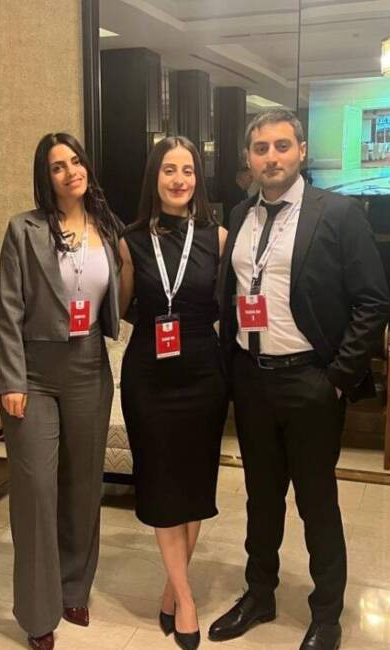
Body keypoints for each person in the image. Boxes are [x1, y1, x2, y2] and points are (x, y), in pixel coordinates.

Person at [212, 109, 389, 650]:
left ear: (302, 151)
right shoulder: (240, 215)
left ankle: (327, 613)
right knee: (261, 499)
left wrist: (337, 377)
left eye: (282, 146)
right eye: (261, 148)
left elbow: (372, 301)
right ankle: (259, 594)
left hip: (310, 381)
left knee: (317, 502)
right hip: (252, 380)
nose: (272, 157)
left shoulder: (337, 213)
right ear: (248, 158)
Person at [0, 132, 124, 650]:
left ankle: (74, 588)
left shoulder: (107, 227)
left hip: (90, 365)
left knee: (83, 486)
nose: (71, 172)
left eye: (75, 161)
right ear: (45, 178)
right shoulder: (23, 229)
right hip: (34, 371)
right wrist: (10, 379)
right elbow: (8, 308)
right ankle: (37, 612)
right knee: (35, 491)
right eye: (57, 166)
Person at [117, 136, 229, 650]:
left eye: (187, 170)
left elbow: (228, 303)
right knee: (162, 484)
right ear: (154, 177)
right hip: (150, 376)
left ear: (197, 179)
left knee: (194, 486)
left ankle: (170, 588)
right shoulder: (129, 240)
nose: (179, 179)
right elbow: (122, 306)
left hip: (204, 372)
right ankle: (185, 599)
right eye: (169, 170)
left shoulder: (218, 238)